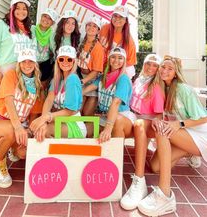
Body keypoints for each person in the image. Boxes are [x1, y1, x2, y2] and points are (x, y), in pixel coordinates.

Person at [136, 55, 207, 216]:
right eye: (163, 67)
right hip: (185, 134)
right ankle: (186, 151)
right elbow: (161, 113)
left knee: (162, 129)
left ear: (176, 73)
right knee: (155, 167)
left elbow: (204, 118)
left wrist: (178, 124)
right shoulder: (162, 88)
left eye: (170, 68)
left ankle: (165, 195)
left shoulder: (182, 89)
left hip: (201, 134)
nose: (165, 70)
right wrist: (156, 118)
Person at [0, 48, 42, 188]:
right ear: (18, 63)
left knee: (23, 153)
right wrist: (19, 127)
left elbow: (33, 115)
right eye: (23, 61)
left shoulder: (37, 86)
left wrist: (30, 134)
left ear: (35, 63)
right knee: (11, 131)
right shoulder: (11, 75)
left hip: (17, 125)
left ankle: (10, 147)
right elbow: (9, 102)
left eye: (30, 61)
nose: (27, 64)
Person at [120, 54, 165, 211]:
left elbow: (158, 115)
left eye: (155, 65)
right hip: (134, 115)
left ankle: (139, 180)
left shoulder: (156, 86)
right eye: (148, 64)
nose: (151, 68)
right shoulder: (139, 81)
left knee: (139, 125)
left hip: (147, 121)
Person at [30, 45, 86, 141]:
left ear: (74, 62)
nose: (65, 62)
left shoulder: (73, 79)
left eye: (69, 59)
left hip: (73, 124)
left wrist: (46, 118)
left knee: (44, 131)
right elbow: (49, 100)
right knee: (40, 129)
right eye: (61, 59)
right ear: (57, 61)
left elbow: (70, 111)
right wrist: (43, 121)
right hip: (59, 121)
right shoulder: (57, 79)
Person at [0, 0, 36, 95]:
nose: (21, 11)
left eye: (24, 9)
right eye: (17, 8)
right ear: (12, 10)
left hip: (22, 71)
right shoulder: (1, 25)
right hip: (3, 70)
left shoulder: (30, 30)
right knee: (2, 104)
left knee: (18, 104)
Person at [83, 47, 133, 142]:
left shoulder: (123, 79)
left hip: (121, 117)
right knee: (84, 131)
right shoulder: (103, 76)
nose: (116, 60)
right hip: (105, 117)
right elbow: (88, 89)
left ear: (124, 61)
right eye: (113, 57)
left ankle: (117, 155)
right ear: (109, 59)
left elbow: (116, 103)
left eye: (120, 58)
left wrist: (108, 128)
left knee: (113, 131)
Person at [77, 16, 104, 116]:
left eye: (94, 26)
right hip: (81, 78)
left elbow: (96, 71)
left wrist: (83, 81)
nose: (91, 28)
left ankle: (87, 131)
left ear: (98, 31)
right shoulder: (82, 43)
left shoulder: (98, 48)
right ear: (85, 27)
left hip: (91, 80)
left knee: (87, 114)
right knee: (77, 110)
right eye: (89, 25)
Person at [99, 5, 137, 79]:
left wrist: (113, 73)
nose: (117, 19)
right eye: (115, 16)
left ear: (126, 20)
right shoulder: (104, 28)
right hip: (101, 66)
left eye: (121, 17)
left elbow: (130, 63)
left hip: (117, 69)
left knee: (129, 70)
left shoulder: (129, 41)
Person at [31, 8, 58, 88]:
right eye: (45, 16)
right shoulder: (32, 29)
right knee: (30, 86)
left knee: (42, 87)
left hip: (44, 64)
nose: (46, 19)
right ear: (41, 17)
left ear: (52, 23)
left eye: (50, 18)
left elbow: (54, 50)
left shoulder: (52, 34)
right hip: (30, 62)